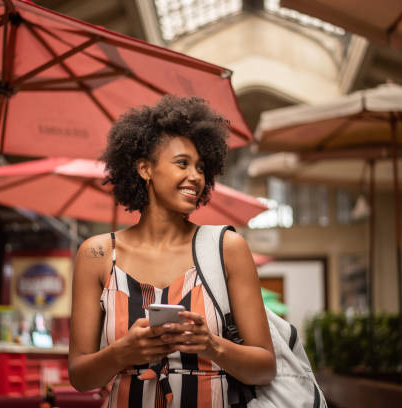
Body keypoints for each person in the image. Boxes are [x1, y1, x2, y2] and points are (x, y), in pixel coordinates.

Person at [68, 95, 275, 407]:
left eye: (202, 167)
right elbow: (80, 377)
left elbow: (265, 368)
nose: (196, 177)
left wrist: (211, 345)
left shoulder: (226, 248)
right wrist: (122, 352)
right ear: (145, 169)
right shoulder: (96, 255)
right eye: (183, 163)